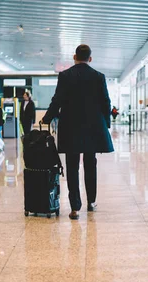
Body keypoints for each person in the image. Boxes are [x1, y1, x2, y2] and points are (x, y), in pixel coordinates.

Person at [42, 44, 114, 220]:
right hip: (93, 127)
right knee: (91, 165)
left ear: (74, 57)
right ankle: (91, 202)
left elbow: (57, 100)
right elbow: (106, 102)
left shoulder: (65, 76)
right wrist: (106, 124)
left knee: (72, 167)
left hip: (71, 127)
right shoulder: (99, 77)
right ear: (90, 59)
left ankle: (75, 207)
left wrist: (47, 118)